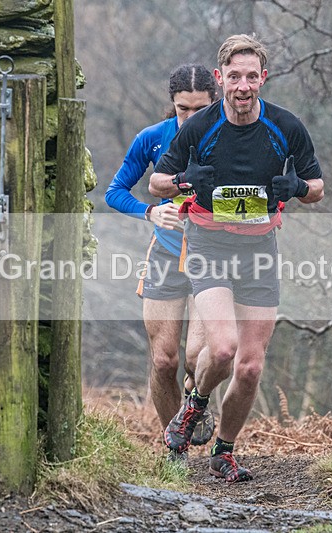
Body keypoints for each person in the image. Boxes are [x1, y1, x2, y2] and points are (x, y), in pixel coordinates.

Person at [149, 34, 325, 482]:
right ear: (220, 78)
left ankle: (223, 452)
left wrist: (298, 189)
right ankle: (194, 407)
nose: (242, 86)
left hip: (259, 250)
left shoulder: (285, 126)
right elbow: (158, 183)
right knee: (222, 349)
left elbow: (318, 188)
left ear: (262, 78)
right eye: (234, 76)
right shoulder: (199, 126)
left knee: (250, 367)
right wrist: (187, 179)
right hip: (209, 246)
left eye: (251, 76)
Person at [104, 64, 220, 458]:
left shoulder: (232, 136)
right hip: (166, 254)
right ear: (172, 104)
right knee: (164, 357)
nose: (190, 117)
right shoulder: (152, 138)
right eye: (182, 108)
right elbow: (115, 192)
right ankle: (177, 452)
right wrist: (150, 212)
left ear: (214, 102)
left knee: (194, 357)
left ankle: (198, 399)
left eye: (200, 108)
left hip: (213, 255)